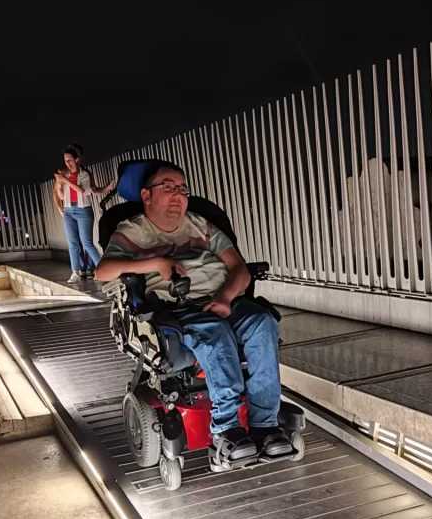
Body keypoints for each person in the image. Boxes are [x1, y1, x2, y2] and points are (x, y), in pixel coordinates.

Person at [96, 161, 294, 466]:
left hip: (223, 297)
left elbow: (239, 268)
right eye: (169, 187)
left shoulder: (202, 224)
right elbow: (103, 271)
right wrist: (155, 263)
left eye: (183, 189)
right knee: (214, 333)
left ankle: (264, 425)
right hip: (178, 307)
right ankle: (225, 431)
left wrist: (226, 296)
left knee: (263, 323)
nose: (178, 195)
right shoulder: (130, 230)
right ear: (146, 195)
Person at [52, 144, 113, 283]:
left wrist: (65, 180)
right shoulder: (64, 174)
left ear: (77, 159)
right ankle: (76, 272)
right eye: (65, 160)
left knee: (87, 243)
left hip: (83, 210)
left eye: (69, 160)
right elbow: (60, 196)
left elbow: (82, 190)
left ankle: (103, 269)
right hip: (69, 210)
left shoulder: (84, 174)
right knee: (73, 243)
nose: (67, 163)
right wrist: (58, 183)